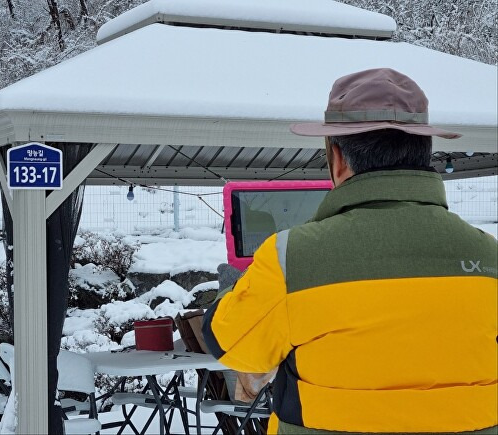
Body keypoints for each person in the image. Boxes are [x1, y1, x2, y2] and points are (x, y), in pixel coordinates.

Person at [202, 68, 497, 434]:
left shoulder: (289, 258)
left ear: (339, 160)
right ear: (426, 152)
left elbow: (229, 343)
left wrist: (233, 288)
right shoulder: (490, 259)